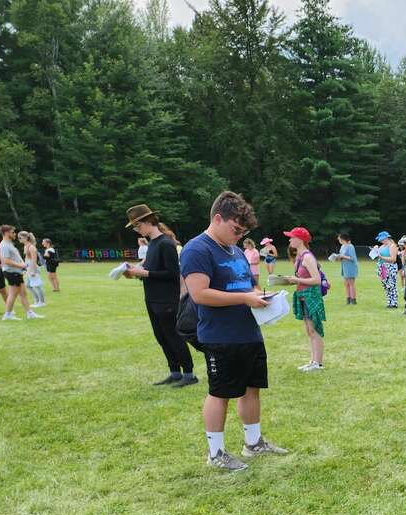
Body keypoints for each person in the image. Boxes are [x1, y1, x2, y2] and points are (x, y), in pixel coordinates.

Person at [181, 190, 289, 471]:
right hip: (220, 336)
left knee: (252, 388)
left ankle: (253, 443)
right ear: (218, 218)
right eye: (236, 230)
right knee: (221, 393)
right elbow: (200, 294)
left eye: (243, 232)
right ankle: (216, 453)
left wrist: (262, 297)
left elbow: (247, 285)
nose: (239, 236)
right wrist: (244, 298)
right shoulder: (197, 249)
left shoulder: (237, 251)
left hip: (248, 332)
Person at [123, 204, 197, 386]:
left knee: (174, 336)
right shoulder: (152, 244)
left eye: (137, 226)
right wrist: (135, 271)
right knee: (161, 337)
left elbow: (172, 274)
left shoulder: (166, 244)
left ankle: (189, 374)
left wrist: (144, 273)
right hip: (152, 298)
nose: (137, 230)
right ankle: (175, 372)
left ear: (148, 221)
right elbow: (152, 270)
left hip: (166, 300)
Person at [281, 226, 326, 370]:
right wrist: (289, 280)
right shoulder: (299, 257)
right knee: (309, 330)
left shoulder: (307, 257)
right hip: (303, 296)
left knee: (314, 330)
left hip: (311, 296)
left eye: (292, 237)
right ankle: (313, 361)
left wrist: (296, 279)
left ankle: (318, 363)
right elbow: (302, 279)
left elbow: (316, 280)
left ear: (300, 240)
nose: (290, 240)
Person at [0, 225, 39, 320]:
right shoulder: (4, 245)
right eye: (12, 232)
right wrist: (21, 265)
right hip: (12, 272)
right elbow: (6, 261)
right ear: (6, 233)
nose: (15, 234)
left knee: (23, 293)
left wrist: (22, 265)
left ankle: (29, 313)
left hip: (16, 272)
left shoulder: (9, 243)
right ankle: (7, 315)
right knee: (13, 294)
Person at [19, 231, 47, 308]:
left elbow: (34, 260)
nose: (19, 239)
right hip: (28, 268)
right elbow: (26, 258)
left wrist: (33, 271)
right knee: (28, 285)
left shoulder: (31, 247)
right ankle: (37, 300)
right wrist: (25, 269)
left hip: (33, 267)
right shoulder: (25, 246)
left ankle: (42, 302)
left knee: (37, 285)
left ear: (26, 238)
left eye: (20, 237)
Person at [373, 231, 399, 308]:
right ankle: (389, 302)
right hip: (382, 267)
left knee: (391, 285)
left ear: (386, 238)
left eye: (382, 239)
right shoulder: (381, 246)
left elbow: (393, 259)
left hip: (390, 267)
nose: (381, 241)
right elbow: (378, 255)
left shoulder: (392, 246)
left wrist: (381, 257)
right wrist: (375, 251)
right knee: (386, 285)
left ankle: (394, 303)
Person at [335, 232, 358, 305]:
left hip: (351, 267)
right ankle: (348, 299)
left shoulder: (350, 246)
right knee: (346, 284)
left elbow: (352, 258)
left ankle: (353, 300)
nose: (339, 240)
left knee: (351, 284)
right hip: (344, 267)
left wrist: (342, 256)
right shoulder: (342, 247)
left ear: (343, 239)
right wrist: (337, 257)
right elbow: (342, 256)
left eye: (339, 239)